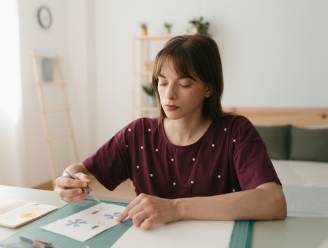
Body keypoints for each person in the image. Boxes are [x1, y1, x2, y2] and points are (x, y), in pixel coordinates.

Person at [55, 34, 287, 230]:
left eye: (184, 84)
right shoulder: (138, 133)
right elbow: (84, 170)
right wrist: (69, 178)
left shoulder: (236, 131)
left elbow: (273, 201)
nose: (169, 95)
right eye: (162, 82)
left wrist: (176, 208)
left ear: (208, 88)